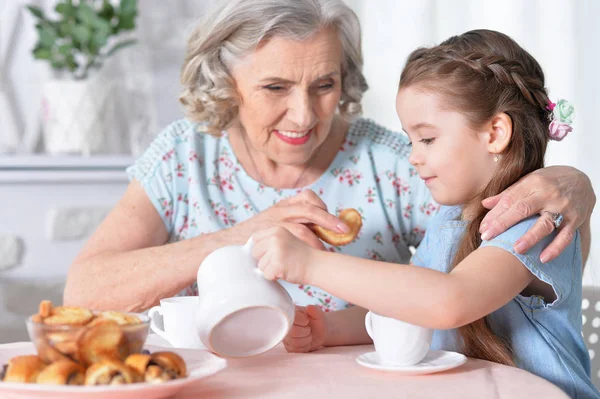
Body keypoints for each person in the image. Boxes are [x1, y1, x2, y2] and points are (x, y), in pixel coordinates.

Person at [64, 0, 594, 339]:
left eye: (324, 86)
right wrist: (244, 236)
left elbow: (491, 193)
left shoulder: (396, 162)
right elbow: (83, 293)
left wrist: (576, 182)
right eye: (275, 88)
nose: (303, 115)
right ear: (225, 84)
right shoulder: (184, 156)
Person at [250, 29, 597, 397]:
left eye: (427, 138)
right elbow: (410, 306)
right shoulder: (450, 218)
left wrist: (309, 265)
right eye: (410, 139)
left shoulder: (533, 222)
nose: (413, 156)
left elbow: (449, 301)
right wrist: (328, 330)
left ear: (495, 133)